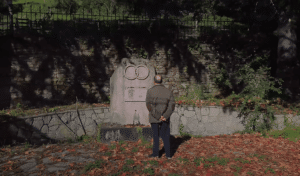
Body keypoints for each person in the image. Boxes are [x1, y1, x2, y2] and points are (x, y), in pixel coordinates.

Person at [146, 75, 175, 159]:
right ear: (161, 81)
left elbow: (149, 105)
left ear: (154, 81)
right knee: (165, 136)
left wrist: (158, 116)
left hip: (154, 117)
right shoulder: (168, 91)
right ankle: (168, 155)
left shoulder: (150, 91)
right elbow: (172, 105)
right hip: (165, 118)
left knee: (155, 136)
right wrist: (165, 116)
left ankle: (156, 154)